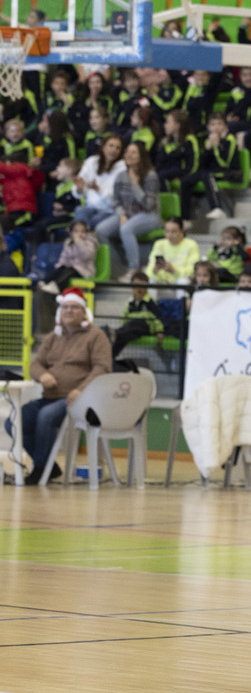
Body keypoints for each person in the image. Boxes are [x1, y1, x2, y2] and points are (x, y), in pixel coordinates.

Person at [5, 287, 112, 483]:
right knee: (14, 420)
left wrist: (81, 390)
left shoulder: (96, 336)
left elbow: (102, 368)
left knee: (45, 417)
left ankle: (39, 469)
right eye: (65, 307)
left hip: (79, 401)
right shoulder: (53, 337)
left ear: (84, 312)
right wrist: (43, 374)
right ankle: (48, 466)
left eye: (74, 307)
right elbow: (35, 364)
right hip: (49, 397)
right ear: (59, 312)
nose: (69, 311)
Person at [96, 141, 162, 278]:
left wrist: (135, 184)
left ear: (141, 156)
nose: (128, 155)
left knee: (126, 229)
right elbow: (115, 199)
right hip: (127, 215)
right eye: (127, 152)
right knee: (100, 230)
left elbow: (149, 205)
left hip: (149, 216)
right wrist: (121, 214)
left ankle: (134, 269)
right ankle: (117, 266)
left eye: (133, 152)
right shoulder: (121, 176)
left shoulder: (150, 176)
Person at [111, 271, 164, 358]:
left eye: (143, 286)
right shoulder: (129, 302)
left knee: (133, 326)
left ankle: (115, 333)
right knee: (123, 336)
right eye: (136, 285)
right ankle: (111, 356)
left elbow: (157, 317)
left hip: (146, 327)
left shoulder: (150, 302)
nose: (139, 289)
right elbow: (125, 317)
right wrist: (124, 326)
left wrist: (160, 331)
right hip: (131, 328)